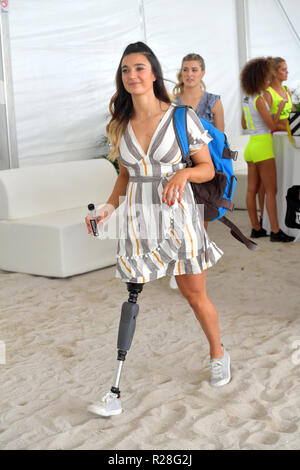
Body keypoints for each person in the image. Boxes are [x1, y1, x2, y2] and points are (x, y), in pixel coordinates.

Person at [85, 42, 230, 417]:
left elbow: (207, 169)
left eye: (139, 68)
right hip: (139, 219)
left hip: (179, 216)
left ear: (153, 73)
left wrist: (183, 172)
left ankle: (218, 352)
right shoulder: (119, 124)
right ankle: (114, 391)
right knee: (132, 296)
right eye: (125, 70)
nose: (132, 76)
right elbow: (124, 175)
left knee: (194, 294)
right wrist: (106, 208)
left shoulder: (182, 117)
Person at [240, 57, 294, 242]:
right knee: (272, 191)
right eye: (267, 77)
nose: (269, 80)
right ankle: (276, 232)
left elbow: (244, 123)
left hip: (251, 146)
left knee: (251, 191)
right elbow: (271, 125)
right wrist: (281, 115)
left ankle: (256, 229)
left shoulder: (246, 98)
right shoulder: (260, 100)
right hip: (263, 147)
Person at [173, 53, 224, 132]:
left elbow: (220, 140)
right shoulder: (172, 102)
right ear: (181, 72)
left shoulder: (214, 102)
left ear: (202, 73)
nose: (189, 74)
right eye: (185, 70)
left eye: (194, 70)